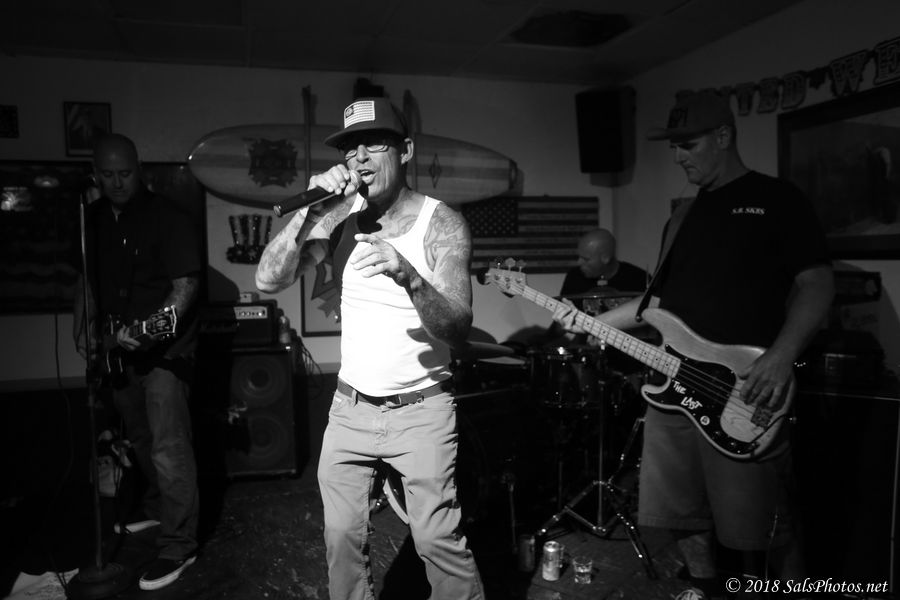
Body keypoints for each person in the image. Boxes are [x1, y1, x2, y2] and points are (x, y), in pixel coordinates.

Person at [553, 91, 834, 600]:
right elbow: (657, 301)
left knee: (765, 522)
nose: (679, 156)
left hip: (743, 385)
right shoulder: (682, 216)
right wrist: (591, 322)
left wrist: (779, 358)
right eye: (675, 146)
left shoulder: (777, 199)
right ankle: (704, 588)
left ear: (723, 136)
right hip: (674, 387)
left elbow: (817, 284)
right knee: (679, 512)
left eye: (689, 144)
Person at [255, 98, 484, 600]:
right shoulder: (339, 216)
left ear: (405, 151)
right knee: (340, 539)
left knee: (437, 541)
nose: (359, 158)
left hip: (421, 410)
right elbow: (268, 279)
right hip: (350, 409)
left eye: (374, 144)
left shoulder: (442, 223)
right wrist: (311, 212)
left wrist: (410, 277)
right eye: (350, 147)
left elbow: (457, 329)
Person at [72, 133, 201, 591]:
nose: (116, 182)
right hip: (117, 352)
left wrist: (149, 331)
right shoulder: (91, 220)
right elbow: (88, 284)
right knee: (140, 439)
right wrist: (86, 331)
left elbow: (185, 287)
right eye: (107, 175)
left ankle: (179, 545)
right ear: (95, 175)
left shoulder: (168, 217)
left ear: (138, 169)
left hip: (165, 352)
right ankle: (156, 510)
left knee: (169, 445)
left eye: (124, 173)